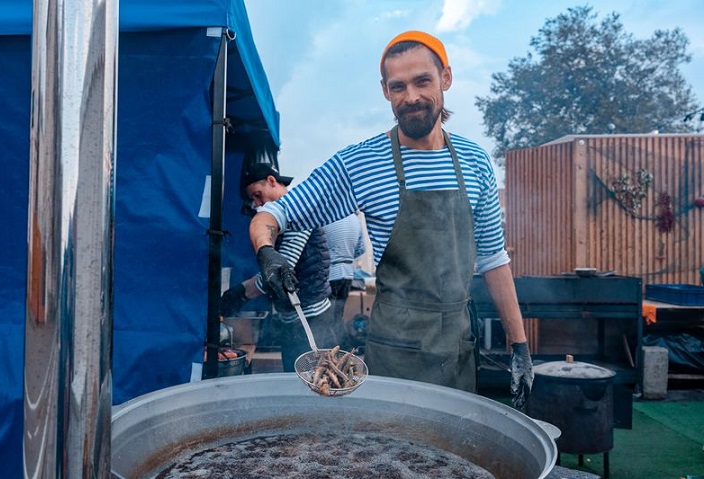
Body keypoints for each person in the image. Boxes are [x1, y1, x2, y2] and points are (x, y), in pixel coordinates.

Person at [247, 31, 534, 407]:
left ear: (445, 78)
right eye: (398, 86)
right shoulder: (362, 163)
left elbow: (494, 259)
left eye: (422, 81)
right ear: (385, 90)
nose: (410, 97)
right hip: (395, 350)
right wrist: (267, 250)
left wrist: (520, 344)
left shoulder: (475, 160)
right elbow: (272, 214)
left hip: (457, 345)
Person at [219, 163, 348, 372]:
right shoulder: (280, 218)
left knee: (316, 382)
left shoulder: (299, 213)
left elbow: (278, 272)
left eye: (259, 195)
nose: (258, 204)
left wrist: (240, 293)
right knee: (294, 380)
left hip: (311, 321)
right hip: (292, 320)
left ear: (272, 181)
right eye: (254, 199)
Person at [323, 213, 366, 344]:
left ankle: (334, 352)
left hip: (330, 273)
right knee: (338, 315)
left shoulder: (327, 217)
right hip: (347, 273)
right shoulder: (355, 220)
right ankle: (343, 351)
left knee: (327, 317)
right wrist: (346, 255)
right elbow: (361, 249)